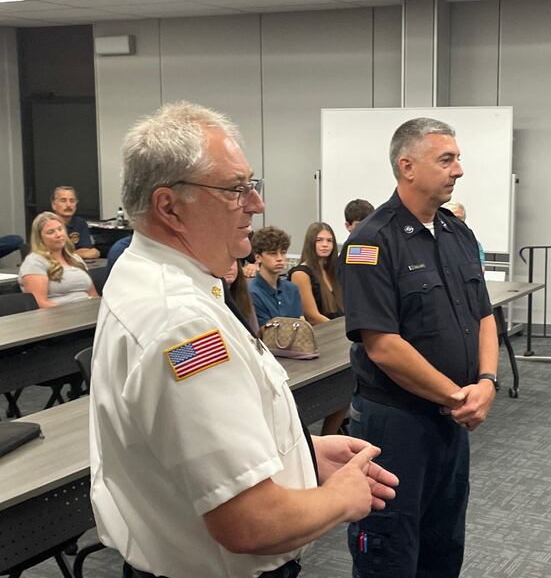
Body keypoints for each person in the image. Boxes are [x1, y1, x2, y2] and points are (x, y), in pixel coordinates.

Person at [88, 102, 398, 578]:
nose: (256, 204)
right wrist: (341, 498)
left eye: (251, 186)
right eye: (236, 190)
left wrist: (297, 453)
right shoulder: (183, 325)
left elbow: (180, 446)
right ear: (169, 206)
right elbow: (252, 525)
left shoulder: (149, 276)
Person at [338, 117, 499, 578]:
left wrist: (486, 383)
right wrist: (458, 396)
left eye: (457, 158)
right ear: (407, 167)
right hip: (397, 424)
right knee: (389, 548)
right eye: (446, 159)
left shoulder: (456, 233)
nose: (459, 170)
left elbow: (483, 316)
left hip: (451, 422)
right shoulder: (370, 241)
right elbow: (383, 345)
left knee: (442, 544)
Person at [289, 222, 348, 435]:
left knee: (345, 388)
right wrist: (345, 331)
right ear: (310, 243)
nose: (325, 245)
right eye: (320, 240)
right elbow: (313, 315)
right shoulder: (301, 273)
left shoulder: (334, 272)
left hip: (340, 338)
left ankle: (331, 434)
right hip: (322, 340)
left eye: (329, 240)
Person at [18, 211, 98, 307]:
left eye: (60, 229)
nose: (58, 235)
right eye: (51, 232)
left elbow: (93, 295)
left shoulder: (75, 258)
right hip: (59, 318)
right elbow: (39, 303)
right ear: (40, 238)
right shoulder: (34, 263)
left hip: (88, 313)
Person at [249, 226, 303, 326]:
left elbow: (301, 324)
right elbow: (265, 333)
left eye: (283, 253)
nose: (279, 258)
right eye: (272, 253)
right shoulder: (252, 293)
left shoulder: (292, 289)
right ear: (258, 257)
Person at [50, 186, 101, 260]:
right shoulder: (47, 224)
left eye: (72, 201)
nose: (68, 205)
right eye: (63, 200)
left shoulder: (80, 223)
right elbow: (49, 255)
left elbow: (90, 252)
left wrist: (66, 254)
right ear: (54, 205)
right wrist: (77, 253)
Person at [443, 200, 485, 270]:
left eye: (459, 218)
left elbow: (480, 271)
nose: (455, 221)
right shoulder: (433, 242)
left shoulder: (473, 243)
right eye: (450, 217)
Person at [225, 259, 259, 334]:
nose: (229, 268)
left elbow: (254, 332)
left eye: (233, 261)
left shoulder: (244, 294)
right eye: (222, 262)